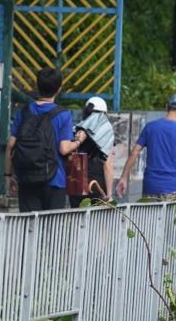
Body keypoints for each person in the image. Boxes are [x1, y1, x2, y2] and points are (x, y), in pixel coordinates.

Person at [7, 67, 83, 212]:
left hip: (27, 179)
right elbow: (64, 148)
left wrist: (9, 176)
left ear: (37, 86)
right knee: (52, 231)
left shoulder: (24, 111)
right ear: (59, 89)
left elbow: (11, 145)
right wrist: (79, 141)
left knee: (29, 228)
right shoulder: (63, 115)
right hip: (54, 180)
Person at [116, 93, 176, 200]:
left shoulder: (150, 127)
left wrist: (123, 177)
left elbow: (134, 152)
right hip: (172, 188)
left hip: (150, 185)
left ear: (167, 107)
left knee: (149, 216)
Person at [70, 96, 116, 206]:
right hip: (96, 185)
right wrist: (109, 195)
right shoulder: (106, 134)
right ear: (104, 114)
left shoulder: (75, 130)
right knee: (97, 222)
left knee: (77, 219)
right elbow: (107, 165)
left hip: (75, 183)